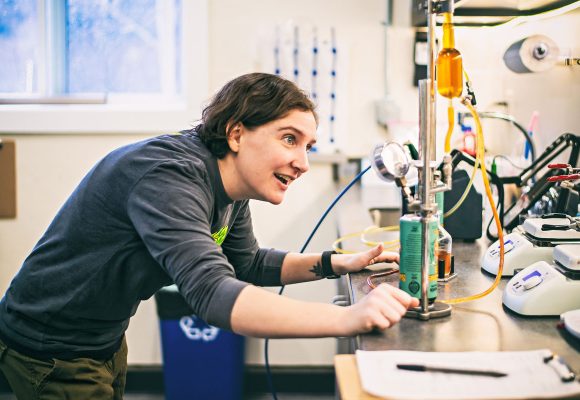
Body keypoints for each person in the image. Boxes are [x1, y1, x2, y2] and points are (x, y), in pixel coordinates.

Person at [0, 72, 418, 399]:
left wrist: (334, 263)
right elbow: (214, 295)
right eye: (289, 139)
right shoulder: (170, 178)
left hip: (103, 335)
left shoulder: (230, 186)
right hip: (52, 345)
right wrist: (346, 318)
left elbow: (247, 263)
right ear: (236, 134)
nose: (302, 163)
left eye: (308, 146)